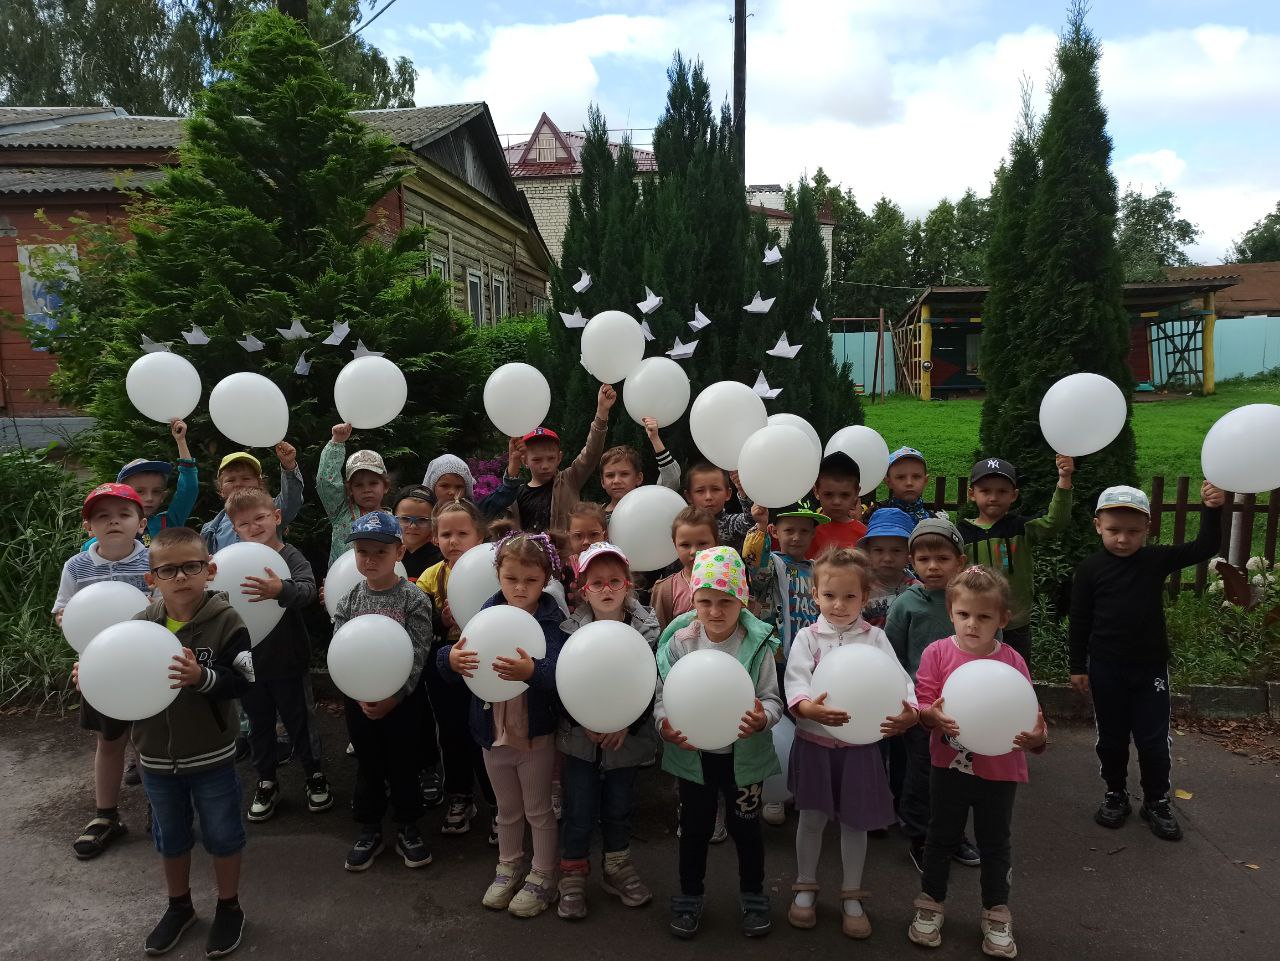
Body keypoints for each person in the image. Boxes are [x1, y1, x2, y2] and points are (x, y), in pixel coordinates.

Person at [116, 526, 253, 958]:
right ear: (151, 578)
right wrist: (91, 675)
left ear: (209, 570)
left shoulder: (228, 622)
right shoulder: (139, 627)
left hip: (212, 756)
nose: (180, 577)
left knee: (223, 835)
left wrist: (202, 677)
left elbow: (244, 681)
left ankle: (229, 906)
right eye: (168, 570)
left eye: (191, 567)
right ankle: (180, 907)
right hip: (156, 758)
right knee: (170, 837)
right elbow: (119, 682)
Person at [1069, 482, 1225, 841]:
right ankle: (1115, 793)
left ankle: (1156, 800)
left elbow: (1205, 547)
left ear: (1147, 529)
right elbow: (1080, 620)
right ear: (1097, 526)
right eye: (1114, 530)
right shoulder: (1090, 569)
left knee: (1153, 741)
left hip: (1150, 668)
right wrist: (1077, 666)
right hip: (1105, 668)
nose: (1123, 539)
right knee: (1111, 739)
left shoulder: (1155, 560)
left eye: (1133, 531)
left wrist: (1212, 508)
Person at [908, 566, 1047, 958]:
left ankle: (996, 912)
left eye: (984, 616)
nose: (973, 623)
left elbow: (1031, 713)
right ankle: (931, 903)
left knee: (995, 841)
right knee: (940, 836)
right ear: (951, 613)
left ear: (1002, 619)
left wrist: (1038, 739)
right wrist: (930, 715)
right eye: (964, 614)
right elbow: (923, 702)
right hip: (948, 766)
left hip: (1000, 771)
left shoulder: (1012, 661)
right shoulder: (937, 653)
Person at [785, 548, 918, 939]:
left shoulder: (875, 638)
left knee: (855, 823)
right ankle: (805, 885)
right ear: (815, 595)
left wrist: (910, 711)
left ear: (865, 597)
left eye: (849, 596)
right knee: (811, 819)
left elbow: (900, 680)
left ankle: (851, 895)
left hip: (860, 748)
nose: (839, 605)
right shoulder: (808, 638)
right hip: (815, 743)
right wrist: (807, 708)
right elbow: (795, 680)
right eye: (829, 595)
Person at [655, 547, 782, 940]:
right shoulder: (680, 643)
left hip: (744, 760)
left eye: (725, 601)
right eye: (705, 601)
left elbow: (773, 699)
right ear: (693, 601)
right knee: (694, 830)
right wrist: (663, 725)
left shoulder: (757, 645)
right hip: (694, 758)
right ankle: (689, 895)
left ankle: (753, 894)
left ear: (742, 600)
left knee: (747, 830)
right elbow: (662, 695)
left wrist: (763, 718)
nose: (714, 611)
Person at [441, 532, 568, 918]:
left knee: (538, 810)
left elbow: (560, 672)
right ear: (498, 575)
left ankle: (544, 874)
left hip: (534, 737)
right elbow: (453, 657)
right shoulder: (485, 616)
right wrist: (449, 659)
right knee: (507, 809)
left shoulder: (550, 621)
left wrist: (533, 671)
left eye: (531, 580)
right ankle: (508, 867)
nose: (520, 588)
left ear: (545, 580)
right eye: (511, 578)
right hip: (492, 735)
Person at [556, 542, 658, 920]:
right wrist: (581, 719)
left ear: (628, 585)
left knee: (618, 808)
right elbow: (561, 683)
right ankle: (572, 873)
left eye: (615, 581)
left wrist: (628, 723)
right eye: (597, 582)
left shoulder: (647, 631)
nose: (606, 589)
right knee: (579, 810)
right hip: (579, 740)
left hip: (625, 741)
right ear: (584, 591)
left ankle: (617, 867)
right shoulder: (569, 631)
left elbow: (653, 683)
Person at [332, 511, 435, 872]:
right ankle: (369, 827)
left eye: (381, 551)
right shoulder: (349, 600)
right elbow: (340, 650)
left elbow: (419, 652)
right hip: (360, 700)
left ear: (399, 553)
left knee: (403, 762)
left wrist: (395, 696)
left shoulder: (414, 599)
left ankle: (408, 826)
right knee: (369, 762)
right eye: (363, 551)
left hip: (403, 702)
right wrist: (359, 693)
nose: (371, 559)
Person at [54, 483, 151, 861]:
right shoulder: (76, 566)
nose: (113, 521)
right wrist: (69, 620)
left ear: (141, 524)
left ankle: (160, 808)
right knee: (109, 743)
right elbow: (63, 612)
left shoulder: (153, 561)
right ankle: (106, 815)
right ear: (88, 527)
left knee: (151, 743)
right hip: (100, 672)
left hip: (147, 667)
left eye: (124, 514)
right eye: (102, 516)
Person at [225, 488, 331, 824]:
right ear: (234, 528)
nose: (254, 527)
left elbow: (308, 591)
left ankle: (314, 774)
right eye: (244, 523)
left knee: (299, 721)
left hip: (288, 658)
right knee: (258, 726)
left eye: (260, 518)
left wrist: (280, 589)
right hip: (245, 661)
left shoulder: (290, 555)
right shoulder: (229, 561)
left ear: (276, 517)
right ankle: (266, 781)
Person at [885, 518, 980, 871]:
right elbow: (891, 657)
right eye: (924, 559)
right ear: (912, 561)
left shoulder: (971, 601)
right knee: (922, 774)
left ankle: (954, 835)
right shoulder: (906, 604)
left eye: (942, 558)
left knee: (961, 774)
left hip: (965, 709)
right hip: (921, 708)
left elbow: (992, 645)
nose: (933, 566)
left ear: (960, 560)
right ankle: (921, 836)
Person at [417, 498, 498, 841]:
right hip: (445, 666)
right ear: (435, 538)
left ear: (479, 536)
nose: (453, 541)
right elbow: (418, 622)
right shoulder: (430, 577)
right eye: (446, 534)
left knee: (488, 736)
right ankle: (460, 796)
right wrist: (441, 619)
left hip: (486, 664)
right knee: (452, 733)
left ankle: (498, 803)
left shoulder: (495, 569)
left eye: (462, 533)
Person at [957, 455, 1074, 670]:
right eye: (985, 491)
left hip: (1015, 623)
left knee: (1016, 673)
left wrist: (1064, 479)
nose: (993, 497)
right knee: (974, 673)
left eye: (1002, 491)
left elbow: (1056, 521)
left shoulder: (1022, 528)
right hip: (974, 624)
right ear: (972, 494)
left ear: (1014, 495)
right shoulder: (961, 534)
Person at [481, 385, 617, 534]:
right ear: (525, 461)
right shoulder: (514, 495)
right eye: (537, 460)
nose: (545, 465)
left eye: (551, 458)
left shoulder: (570, 479)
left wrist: (602, 413)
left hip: (563, 549)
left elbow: (591, 453)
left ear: (559, 458)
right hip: (527, 549)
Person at [85, 418, 197, 550]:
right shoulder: (96, 543)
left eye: (156, 491)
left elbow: (188, 490)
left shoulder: (167, 523)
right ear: (120, 496)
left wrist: (181, 441)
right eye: (139, 491)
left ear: (163, 496)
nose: (149, 498)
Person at [202, 446, 304, 553]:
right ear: (221, 489)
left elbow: (291, 500)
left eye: (246, 478)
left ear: (259, 484)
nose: (238, 484)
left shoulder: (270, 509)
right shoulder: (210, 529)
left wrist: (288, 466)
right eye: (230, 480)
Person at [318, 424, 393, 565]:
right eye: (359, 485)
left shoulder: (394, 522)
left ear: (385, 487)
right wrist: (336, 443)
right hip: (341, 578)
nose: (367, 489)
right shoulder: (341, 512)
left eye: (373, 483)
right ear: (350, 490)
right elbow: (326, 482)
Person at [599, 416, 682, 519]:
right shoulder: (596, 516)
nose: (616, 481)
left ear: (639, 478)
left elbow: (671, 478)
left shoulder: (650, 505)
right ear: (602, 482)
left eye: (624, 474)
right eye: (610, 475)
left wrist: (655, 438)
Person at [651, 506, 719, 630]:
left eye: (702, 543)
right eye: (685, 545)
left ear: (716, 542)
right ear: (675, 545)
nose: (693, 551)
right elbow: (659, 634)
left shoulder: (730, 581)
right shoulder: (666, 590)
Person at [858, 508, 920, 629]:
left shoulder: (917, 591)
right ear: (867, 552)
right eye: (878, 550)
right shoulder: (859, 586)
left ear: (909, 554)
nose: (887, 558)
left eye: (896, 551)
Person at [683, 462, 755, 554]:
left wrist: (742, 491)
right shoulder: (683, 527)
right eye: (700, 491)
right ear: (689, 496)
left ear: (728, 493)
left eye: (715, 489)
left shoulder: (730, 524)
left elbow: (751, 521)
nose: (708, 497)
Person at [806, 453, 867, 558]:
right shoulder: (805, 531)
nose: (836, 502)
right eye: (828, 494)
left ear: (856, 493)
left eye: (845, 495)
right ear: (816, 491)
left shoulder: (864, 535)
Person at [393, 485, 443, 582]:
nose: (413, 526)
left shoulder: (441, 560)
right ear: (393, 519)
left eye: (422, 520)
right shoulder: (386, 554)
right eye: (405, 519)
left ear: (434, 523)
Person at [881, 447, 934, 526]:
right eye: (901, 477)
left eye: (916, 477)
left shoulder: (933, 522)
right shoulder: (879, 519)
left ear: (925, 480)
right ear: (888, 482)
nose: (909, 483)